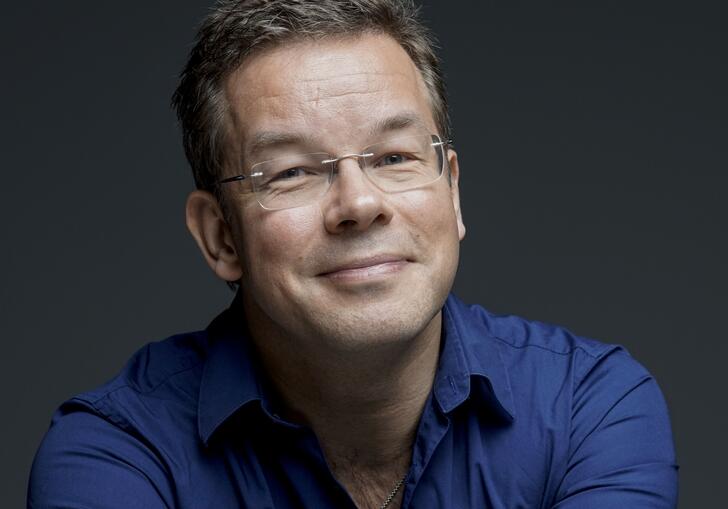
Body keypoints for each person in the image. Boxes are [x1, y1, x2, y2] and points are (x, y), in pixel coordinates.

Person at [28, 1, 678, 507]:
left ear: (451, 192)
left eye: (394, 157)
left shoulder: (590, 409)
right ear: (220, 236)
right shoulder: (117, 453)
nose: (359, 203)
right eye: (290, 173)